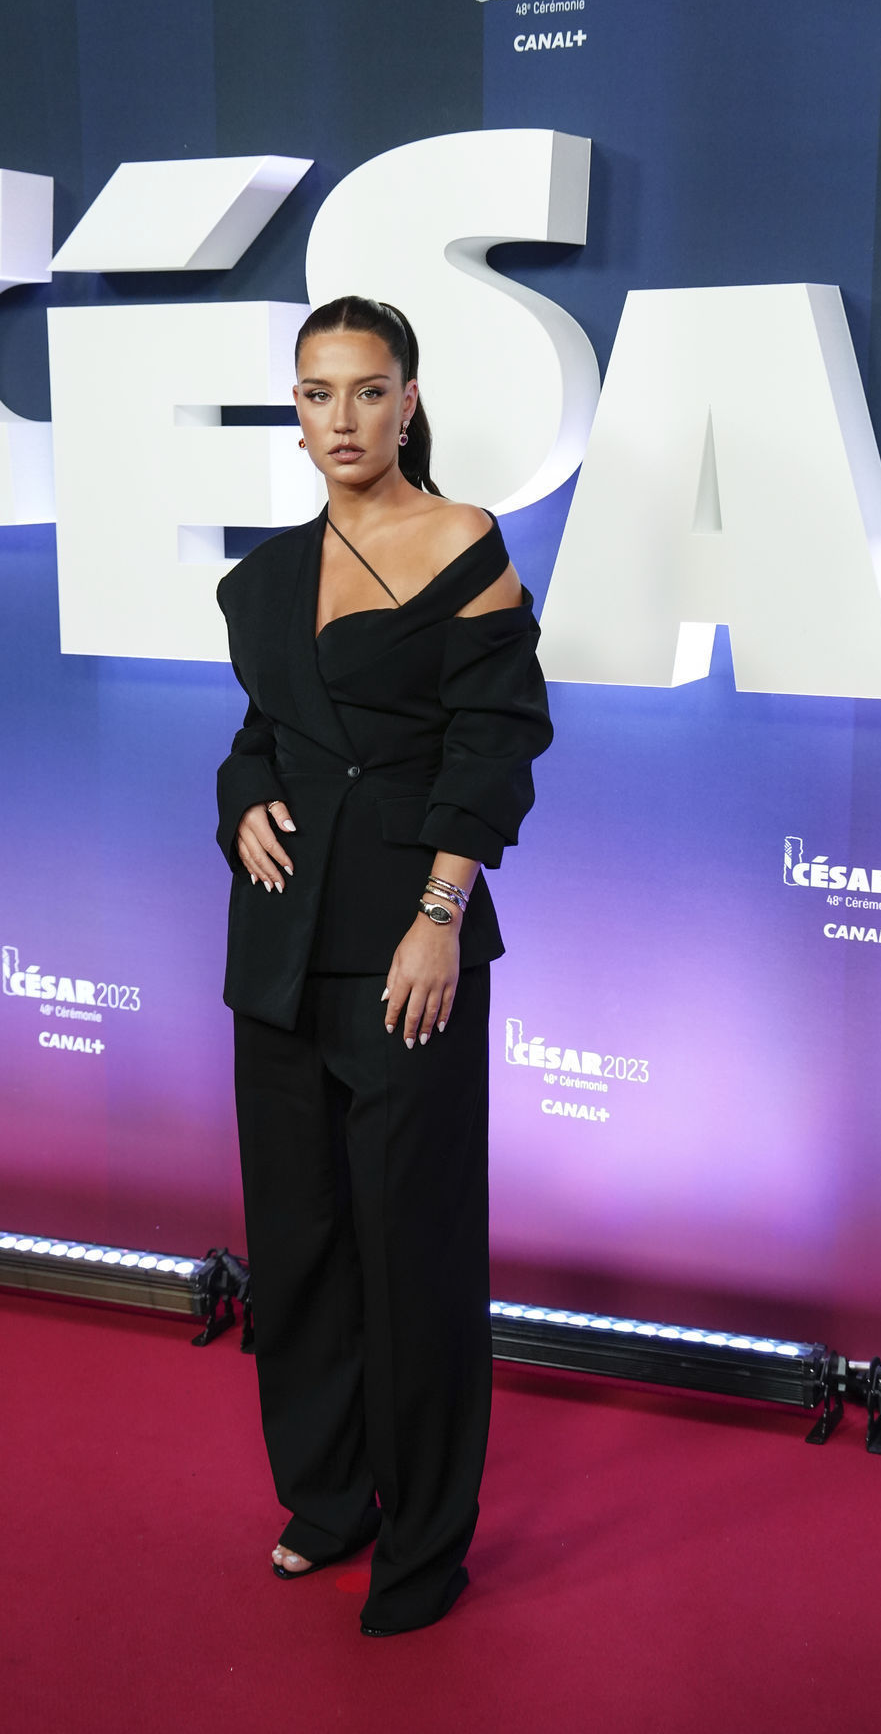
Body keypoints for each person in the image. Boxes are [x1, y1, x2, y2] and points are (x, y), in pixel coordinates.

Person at [215, 295, 552, 1636]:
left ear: (408, 401)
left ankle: (424, 1543)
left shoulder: (465, 542)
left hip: (407, 947)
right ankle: (327, 1498)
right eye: (317, 394)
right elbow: (261, 734)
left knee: (413, 1257)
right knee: (298, 1246)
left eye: (367, 390)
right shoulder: (262, 578)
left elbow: (498, 740)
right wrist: (238, 799)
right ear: (295, 414)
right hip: (277, 948)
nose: (342, 418)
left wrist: (439, 914)